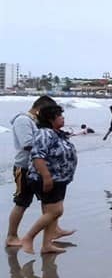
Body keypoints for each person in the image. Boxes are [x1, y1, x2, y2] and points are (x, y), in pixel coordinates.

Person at [20, 105, 78, 254]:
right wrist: (46, 177)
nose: (63, 117)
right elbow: (37, 155)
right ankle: (28, 237)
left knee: (50, 212)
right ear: (51, 119)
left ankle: (47, 245)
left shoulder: (56, 133)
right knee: (56, 211)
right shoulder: (45, 134)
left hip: (59, 179)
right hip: (47, 178)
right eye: (59, 115)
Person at [6, 95, 59, 247]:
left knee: (49, 202)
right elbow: (27, 143)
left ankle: (54, 230)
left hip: (38, 167)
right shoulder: (23, 120)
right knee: (22, 202)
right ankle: (11, 236)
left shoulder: (35, 122)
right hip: (24, 168)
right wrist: (49, 144)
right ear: (39, 109)